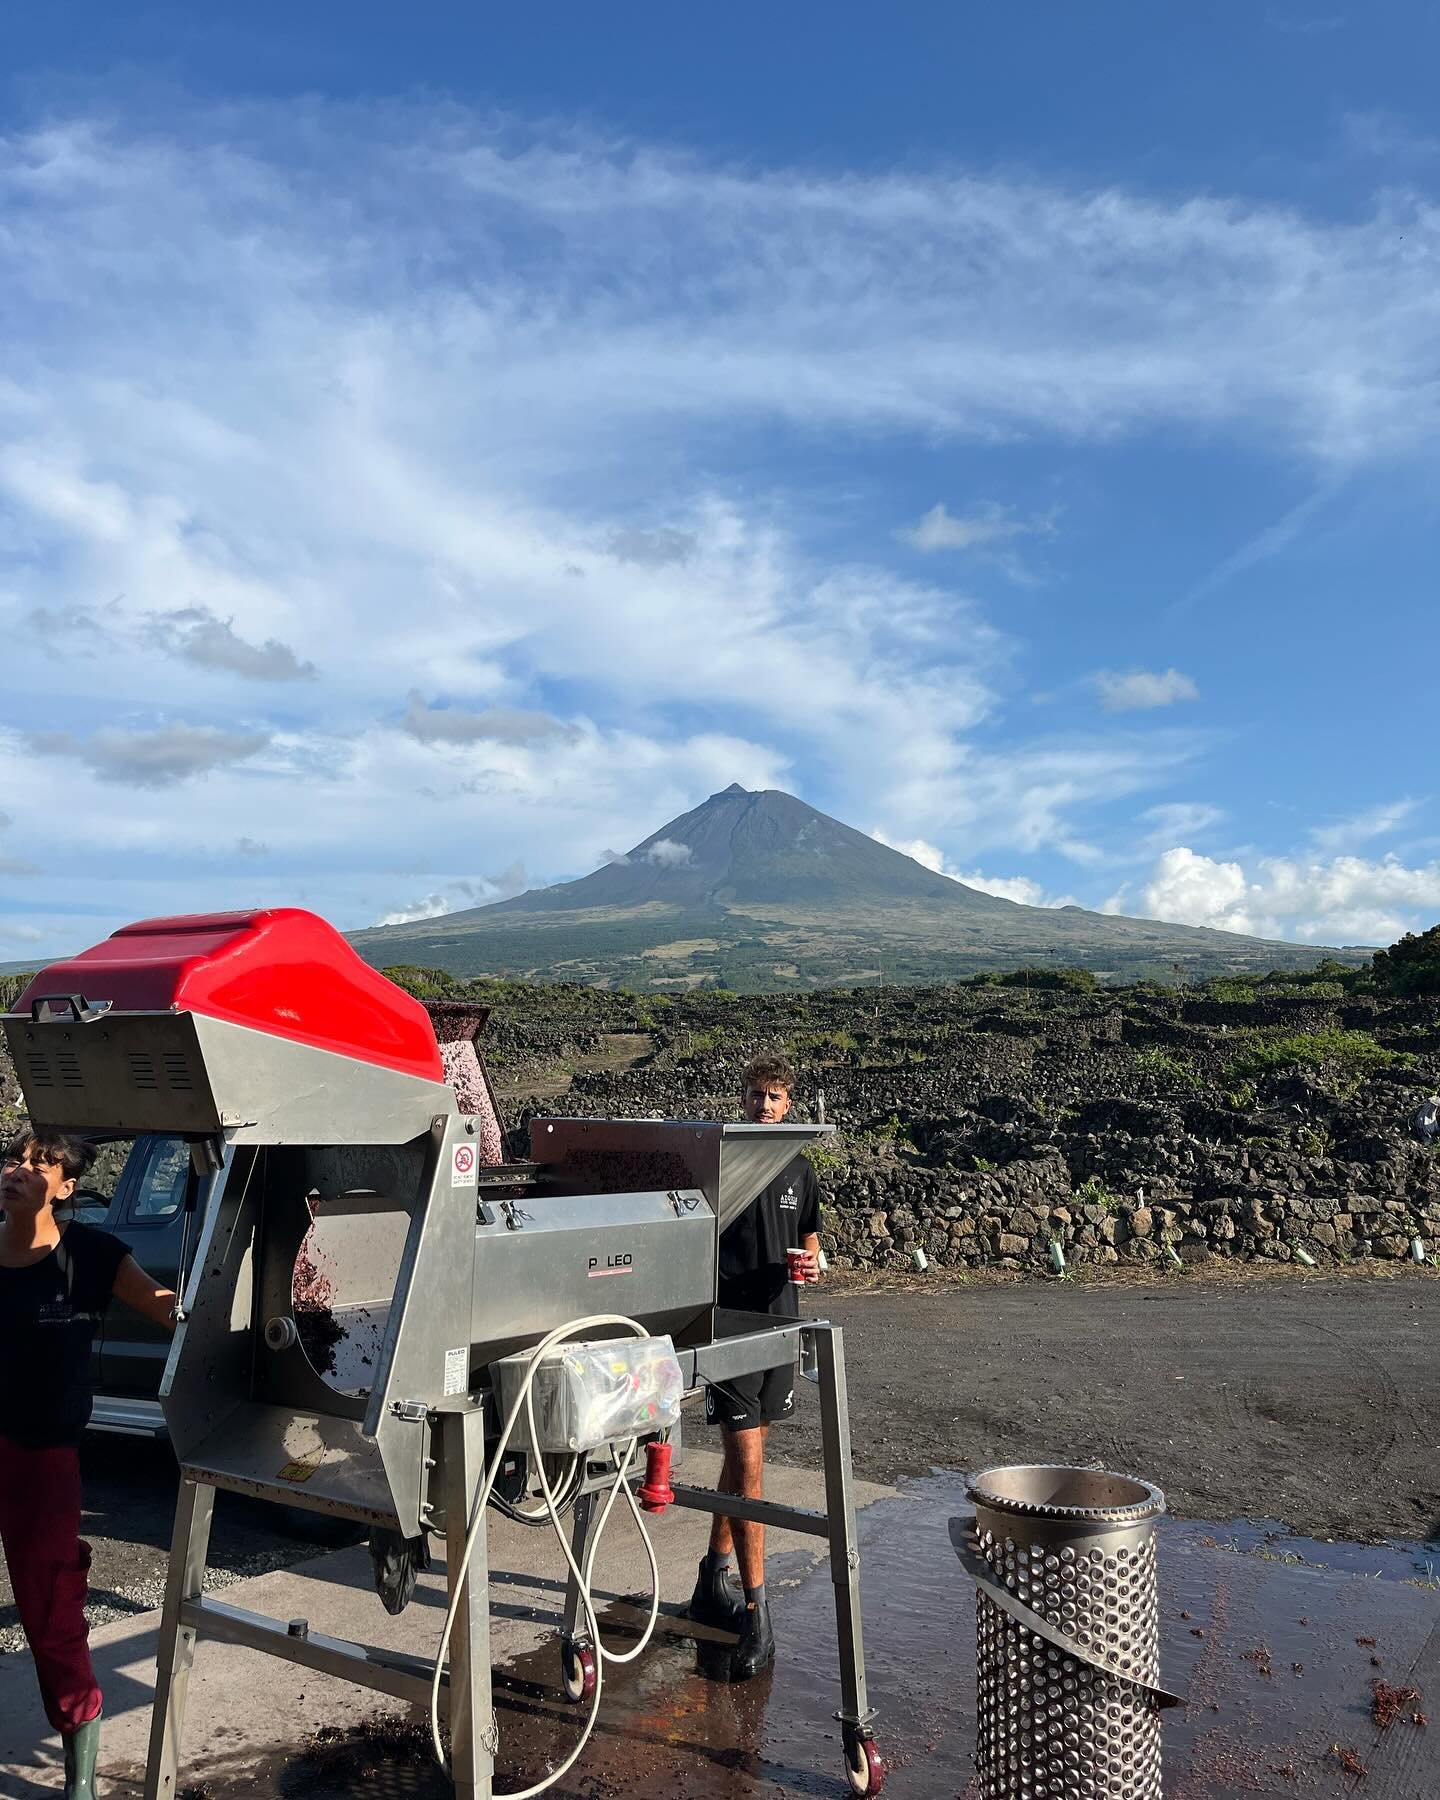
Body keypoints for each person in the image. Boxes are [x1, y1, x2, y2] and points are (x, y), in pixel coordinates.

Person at [1, 1131, 178, 1800]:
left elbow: (167, 1311)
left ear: (68, 1187)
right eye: (11, 1159)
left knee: (50, 1615)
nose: (15, 1171)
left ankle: (80, 1772)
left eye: (36, 1164)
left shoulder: (94, 1255)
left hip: (42, 1458)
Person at [690, 1053, 821, 1678]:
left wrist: (814, 1264)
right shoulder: (724, 1164)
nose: (763, 1105)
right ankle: (758, 1613)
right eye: (754, 1095)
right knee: (748, 1469)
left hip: (783, 1329)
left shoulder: (799, 1164)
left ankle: (711, 1577)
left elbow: (811, 1235)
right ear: (741, 1098)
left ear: (788, 1103)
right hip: (731, 1333)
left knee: (743, 1465)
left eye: (773, 1096)